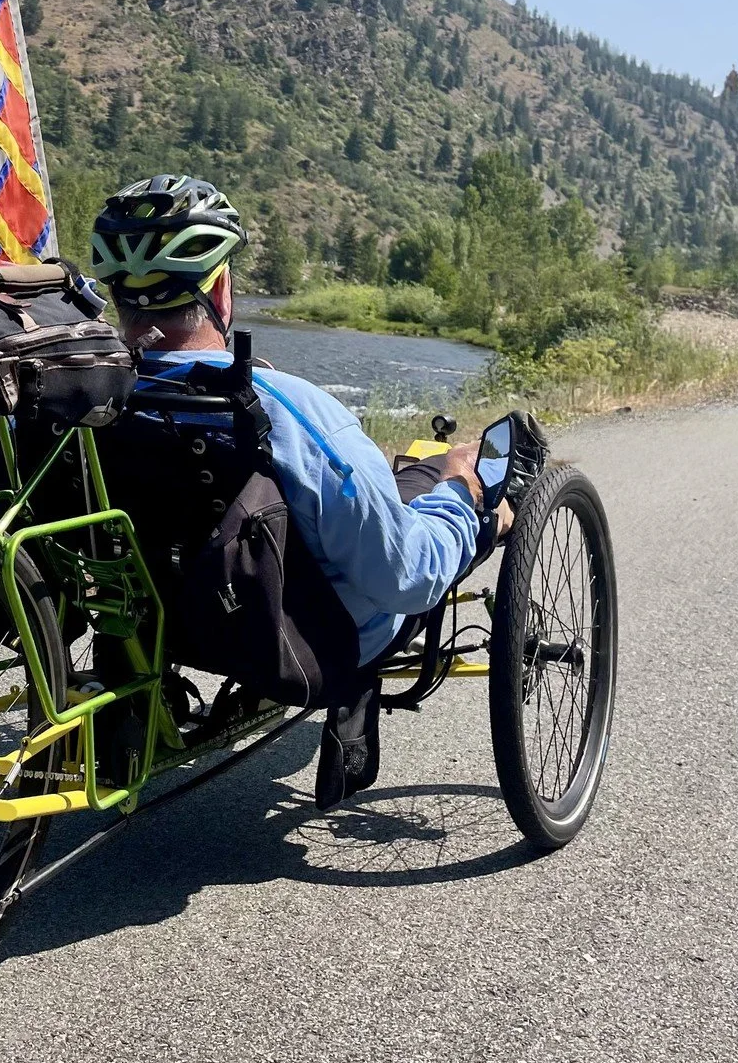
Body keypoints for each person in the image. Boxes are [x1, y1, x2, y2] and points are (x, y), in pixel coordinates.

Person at [88, 174, 511, 810]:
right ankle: (467, 481)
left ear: (116, 298)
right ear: (222, 291)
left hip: (156, 624)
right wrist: (466, 503)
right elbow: (407, 579)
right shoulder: (284, 407)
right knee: (438, 484)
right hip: (288, 633)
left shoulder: (75, 400)